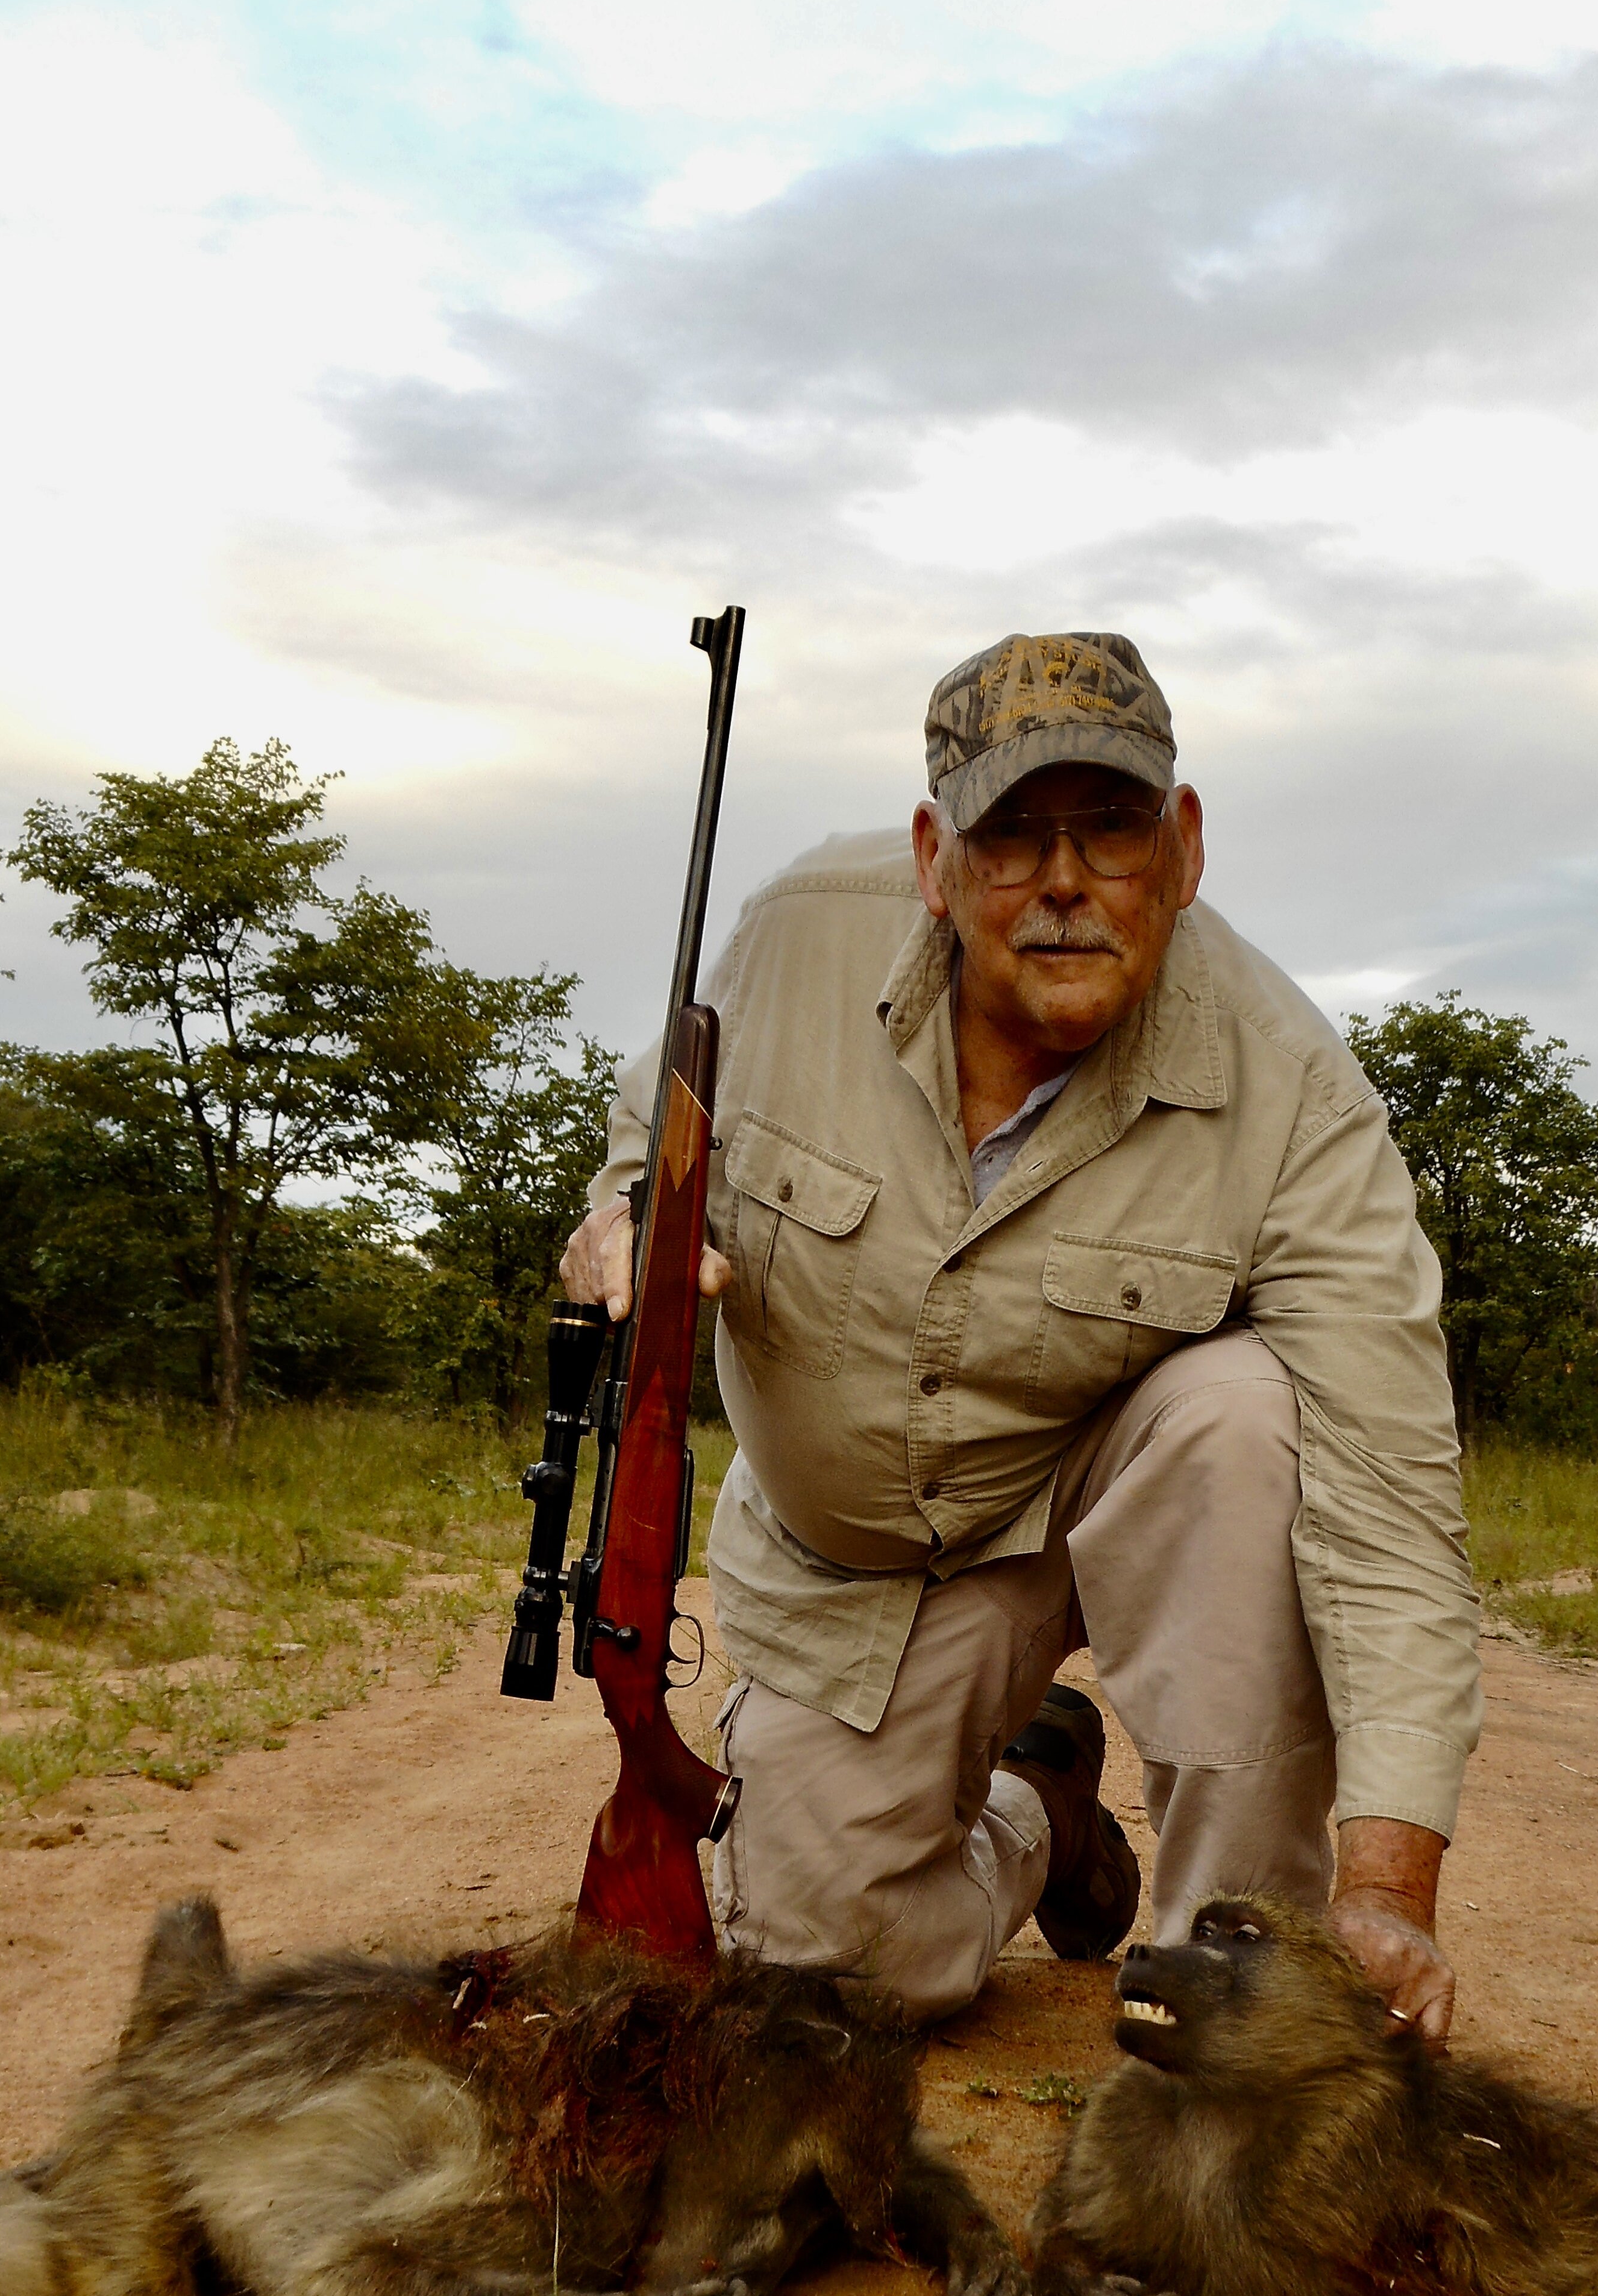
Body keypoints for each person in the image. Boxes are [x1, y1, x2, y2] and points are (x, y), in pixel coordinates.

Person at [562, 629, 1481, 2039]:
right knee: (822, 1972)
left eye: (1110, 830)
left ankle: (1237, 1992)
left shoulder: (1295, 1089)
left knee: (1247, 1414)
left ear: (1180, 848)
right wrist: (628, 1225)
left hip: (1096, 1494)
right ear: (937, 857)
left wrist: (1389, 1885)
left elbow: (1393, 1496)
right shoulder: (793, 934)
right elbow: (652, 1136)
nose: (1064, 884)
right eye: (1012, 835)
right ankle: (1041, 1813)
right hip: (857, 1566)